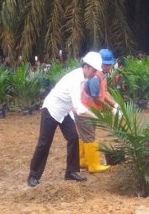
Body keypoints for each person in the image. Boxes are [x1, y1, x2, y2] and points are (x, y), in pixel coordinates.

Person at [27, 52, 103, 187]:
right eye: (93, 70)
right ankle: (33, 175)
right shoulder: (75, 79)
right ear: (85, 67)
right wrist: (96, 117)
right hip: (51, 109)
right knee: (44, 143)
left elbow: (76, 104)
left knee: (73, 137)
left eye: (96, 70)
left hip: (64, 112)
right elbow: (78, 105)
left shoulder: (84, 79)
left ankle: (71, 172)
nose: (95, 73)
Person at [76, 49, 118, 173]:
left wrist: (115, 105)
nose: (109, 66)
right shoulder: (95, 77)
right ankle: (94, 165)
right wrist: (111, 110)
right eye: (106, 64)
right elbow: (98, 98)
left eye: (110, 64)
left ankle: (82, 161)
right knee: (89, 136)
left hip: (90, 111)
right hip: (85, 110)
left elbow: (104, 93)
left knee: (84, 135)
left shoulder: (101, 75)